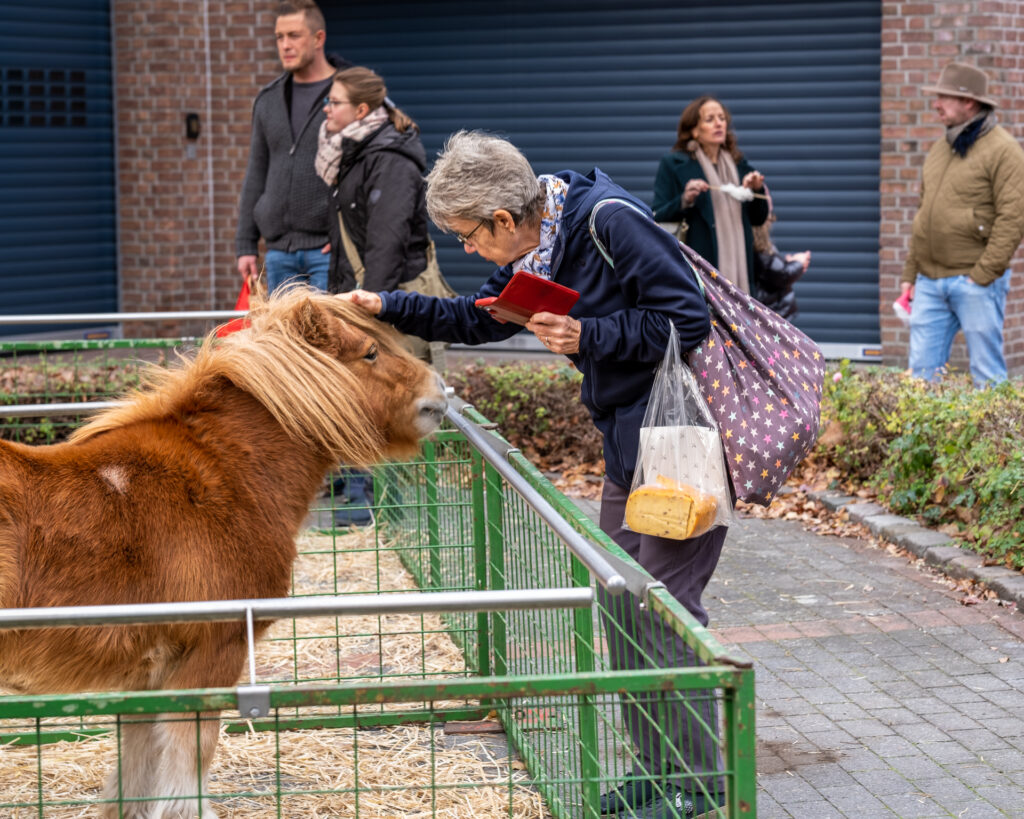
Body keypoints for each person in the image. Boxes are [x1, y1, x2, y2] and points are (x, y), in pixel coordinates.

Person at [337, 130, 727, 819]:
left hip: (680, 446)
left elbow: (687, 318)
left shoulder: (608, 220)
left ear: (505, 220)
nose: (466, 249)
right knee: (622, 602)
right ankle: (654, 766)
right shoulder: (539, 247)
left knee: (664, 612)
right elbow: (479, 318)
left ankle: (698, 785)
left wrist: (590, 337)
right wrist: (385, 306)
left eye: (467, 236)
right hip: (630, 444)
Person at [315, 66, 441, 527]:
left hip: (385, 297)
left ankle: (380, 507)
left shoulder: (390, 157)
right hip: (359, 290)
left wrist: (374, 309)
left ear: (361, 110)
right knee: (359, 391)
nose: (326, 109)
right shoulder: (354, 151)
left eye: (334, 102)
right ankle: (365, 497)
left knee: (387, 394)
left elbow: (386, 241)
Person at [901, 61, 1024, 387]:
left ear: (969, 102)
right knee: (920, 381)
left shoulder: (1004, 150)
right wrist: (910, 275)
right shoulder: (941, 148)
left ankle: (1001, 440)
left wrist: (981, 276)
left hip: (975, 283)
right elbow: (923, 215)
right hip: (928, 282)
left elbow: (1013, 219)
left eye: (944, 97)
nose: (936, 104)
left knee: (988, 378)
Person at [234, 0, 351, 294]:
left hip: (328, 251)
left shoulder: (348, 94)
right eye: (279, 37)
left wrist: (347, 234)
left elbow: (370, 171)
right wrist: (246, 244)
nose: (285, 45)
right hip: (279, 253)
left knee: (328, 339)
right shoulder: (268, 100)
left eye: (294, 36)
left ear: (318, 38)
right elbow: (256, 173)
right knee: (285, 341)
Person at [652, 96, 770, 294]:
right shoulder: (673, 165)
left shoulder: (739, 165)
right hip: (697, 276)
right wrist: (684, 200)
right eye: (710, 119)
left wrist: (756, 190)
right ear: (694, 130)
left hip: (741, 277)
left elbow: (759, 218)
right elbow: (657, 216)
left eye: (722, 118)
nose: (719, 123)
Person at [751, 207, 811, 321]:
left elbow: (775, 269)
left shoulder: (760, 246)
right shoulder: (760, 247)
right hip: (773, 312)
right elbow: (782, 274)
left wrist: (791, 262)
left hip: (773, 311)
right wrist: (798, 263)